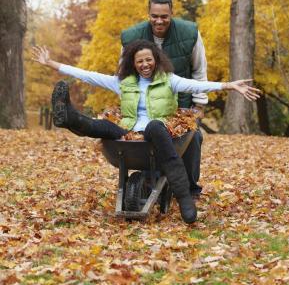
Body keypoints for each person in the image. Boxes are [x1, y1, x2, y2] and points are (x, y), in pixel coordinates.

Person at [32, 40, 261, 224]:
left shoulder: (169, 81)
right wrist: (51, 63)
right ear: (133, 63)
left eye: (148, 60)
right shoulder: (123, 82)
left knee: (153, 126)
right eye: (139, 61)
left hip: (159, 132)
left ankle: (183, 197)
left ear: (156, 61)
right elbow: (88, 75)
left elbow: (196, 85)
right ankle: (70, 117)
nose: (144, 64)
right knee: (102, 126)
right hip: (129, 134)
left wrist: (228, 86)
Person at [121, 0, 207, 198]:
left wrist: (200, 105)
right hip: (146, 103)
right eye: (154, 16)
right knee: (146, 141)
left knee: (192, 138)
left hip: (182, 103)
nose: (159, 21)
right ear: (148, 14)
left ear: (171, 14)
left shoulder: (189, 33)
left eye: (164, 16)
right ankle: (152, 179)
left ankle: (188, 187)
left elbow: (199, 71)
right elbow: (124, 73)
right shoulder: (132, 36)